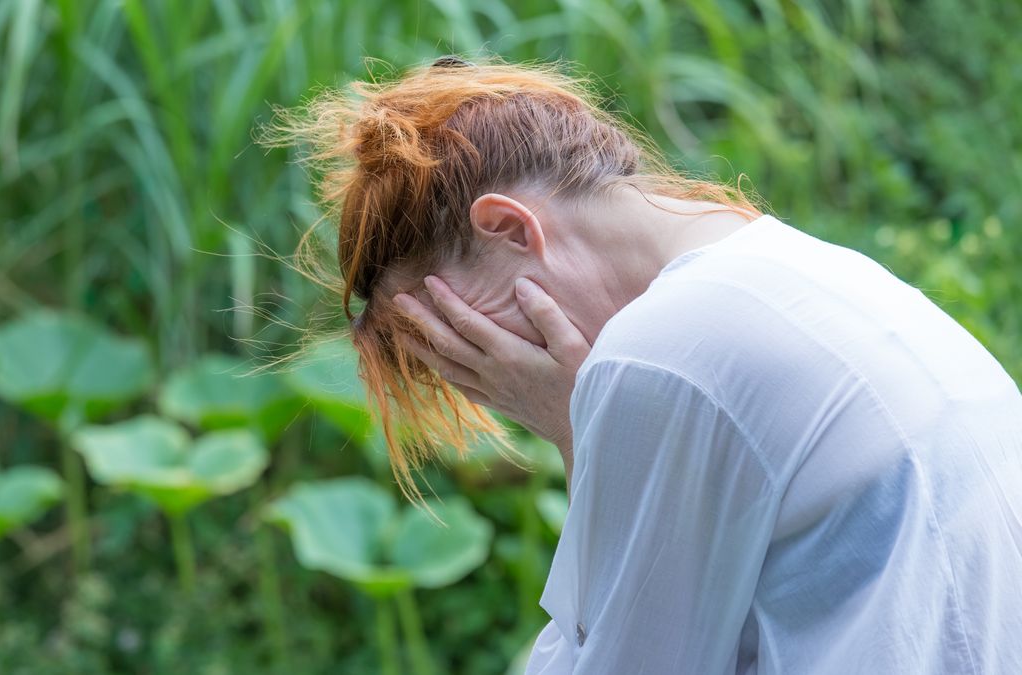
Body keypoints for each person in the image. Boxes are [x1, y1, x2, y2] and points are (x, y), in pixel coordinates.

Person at [265, 56, 1022, 673]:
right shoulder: (794, 264)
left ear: (507, 227)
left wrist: (575, 430)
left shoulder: (665, 354)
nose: (488, 377)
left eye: (459, 329)